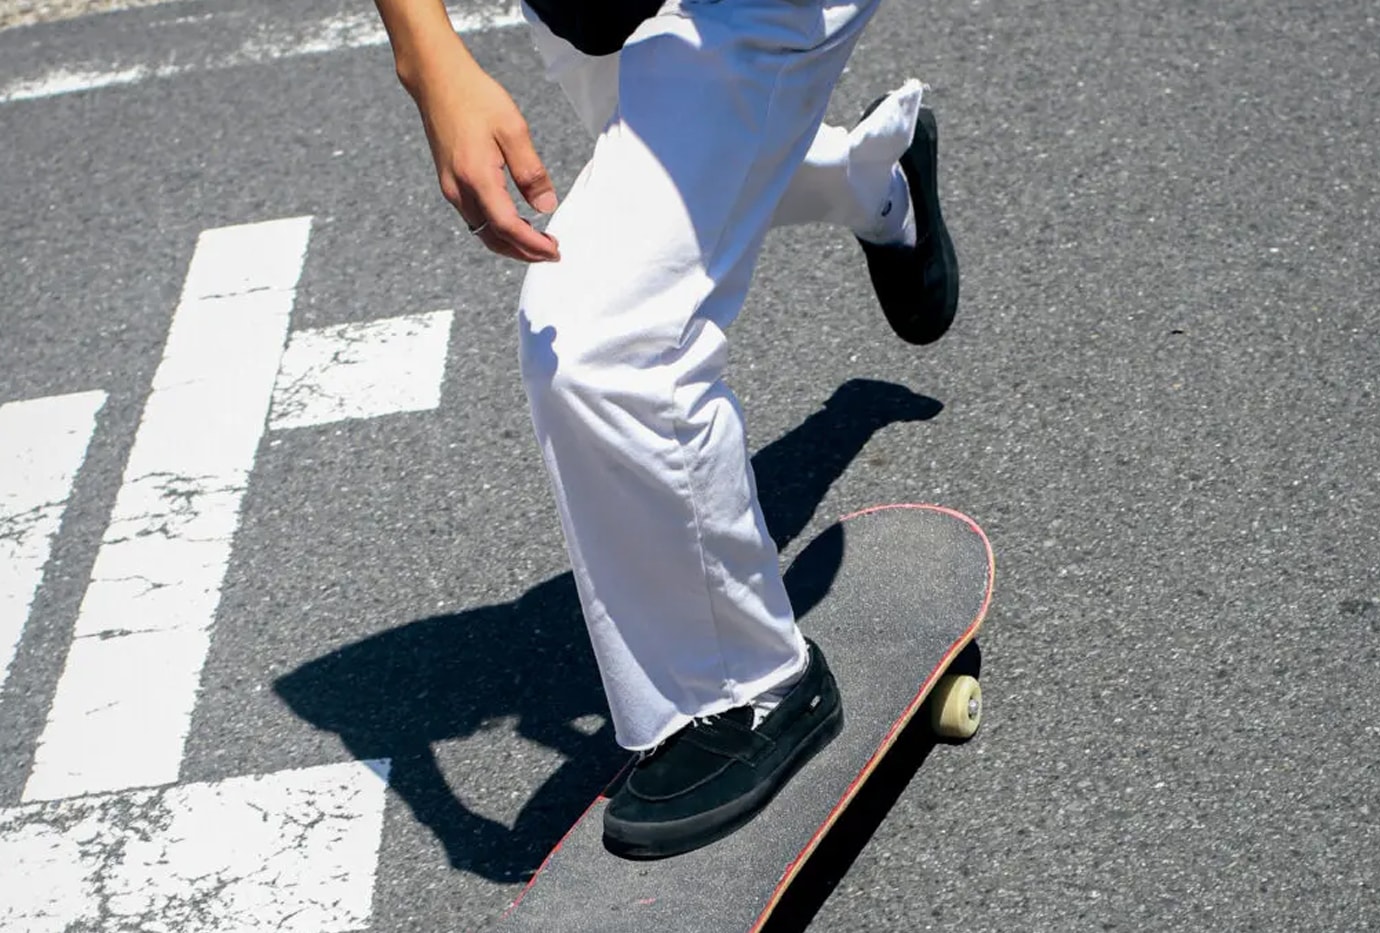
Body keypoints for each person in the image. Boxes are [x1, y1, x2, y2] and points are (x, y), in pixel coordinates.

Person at [372, 0, 957, 860]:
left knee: (599, 343)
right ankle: (873, 179)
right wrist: (431, 63)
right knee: (726, 162)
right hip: (588, 8)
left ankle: (753, 685)